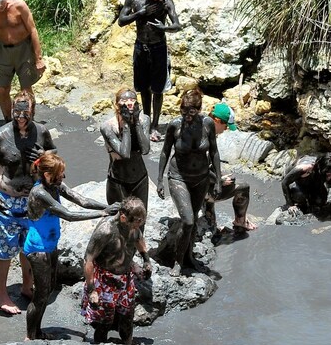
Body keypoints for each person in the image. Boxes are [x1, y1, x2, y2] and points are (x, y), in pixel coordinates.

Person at [0, 90, 56, 315]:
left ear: (33, 111)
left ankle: (27, 285)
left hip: (32, 200)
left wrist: (43, 157)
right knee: (3, 249)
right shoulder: (0, 136)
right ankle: (1, 293)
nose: (20, 116)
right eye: (16, 111)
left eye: (25, 112)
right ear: (11, 110)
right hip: (6, 201)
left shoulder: (41, 132)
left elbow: (54, 153)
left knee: (28, 246)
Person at [24, 153, 117, 341]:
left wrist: (108, 207)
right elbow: (68, 215)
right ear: (48, 174)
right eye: (59, 174)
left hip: (50, 245)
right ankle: (30, 336)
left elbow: (81, 200)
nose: (63, 178)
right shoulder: (39, 193)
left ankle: (38, 332)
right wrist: (101, 214)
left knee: (49, 289)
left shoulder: (56, 185)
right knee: (41, 295)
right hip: (38, 249)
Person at [156, 88, 220, 276]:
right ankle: (178, 261)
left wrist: (217, 180)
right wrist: (159, 179)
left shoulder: (208, 124)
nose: (187, 116)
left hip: (201, 178)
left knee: (192, 219)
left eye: (191, 112)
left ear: (199, 110)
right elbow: (165, 151)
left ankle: (190, 256)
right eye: (183, 112)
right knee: (188, 220)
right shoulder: (174, 125)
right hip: (178, 177)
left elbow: (214, 152)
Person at [117, 0, 182, 141]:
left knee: (158, 89)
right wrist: (140, 13)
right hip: (141, 47)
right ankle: (145, 120)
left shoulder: (166, 1)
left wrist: (164, 28)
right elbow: (121, 21)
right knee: (143, 88)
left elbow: (177, 25)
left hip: (159, 47)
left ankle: (155, 125)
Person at [81, 196, 151, 345]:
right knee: (103, 323)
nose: (137, 227)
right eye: (135, 224)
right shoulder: (106, 230)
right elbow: (88, 260)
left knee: (127, 319)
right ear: (124, 218)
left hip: (125, 280)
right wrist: (92, 290)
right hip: (104, 281)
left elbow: (139, 239)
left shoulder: (134, 226)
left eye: (140, 223)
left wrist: (146, 260)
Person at [0, 0, 46, 121]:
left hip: (24, 49)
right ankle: (9, 121)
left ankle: (29, 120)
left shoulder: (19, 5)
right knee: (3, 89)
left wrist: (38, 58)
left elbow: (33, 30)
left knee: (26, 89)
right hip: (4, 51)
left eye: (2, 7)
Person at [204, 102, 257, 234]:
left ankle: (211, 223)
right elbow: (201, 170)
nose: (226, 129)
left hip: (196, 185)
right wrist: (219, 181)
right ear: (216, 120)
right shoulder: (205, 139)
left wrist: (219, 177)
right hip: (199, 190)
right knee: (243, 187)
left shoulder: (201, 130)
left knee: (225, 178)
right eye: (226, 125)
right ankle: (241, 221)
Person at [100, 87, 151, 210]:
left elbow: (145, 150)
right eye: (124, 100)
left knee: (140, 219)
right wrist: (127, 124)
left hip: (140, 178)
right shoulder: (108, 127)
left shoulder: (144, 120)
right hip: (118, 181)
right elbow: (125, 153)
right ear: (117, 105)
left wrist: (137, 122)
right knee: (119, 220)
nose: (129, 103)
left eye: (132, 99)